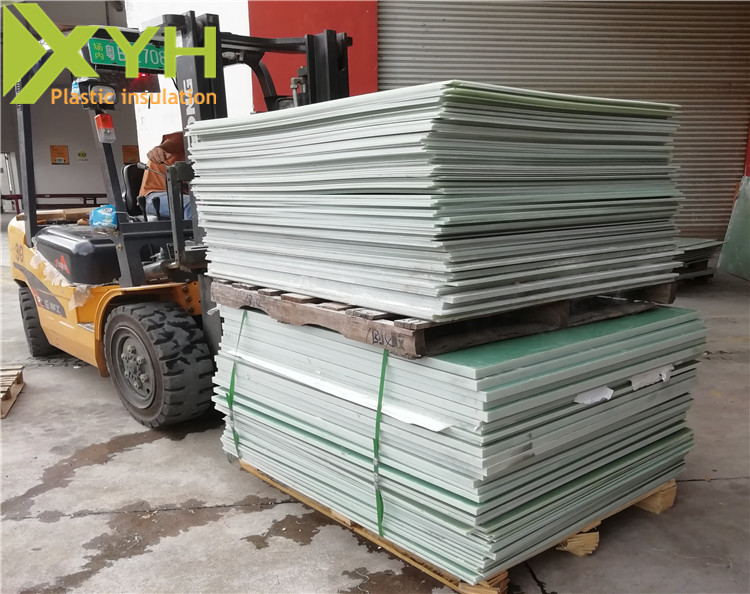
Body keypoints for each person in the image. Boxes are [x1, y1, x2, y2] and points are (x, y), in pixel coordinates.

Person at [138, 131, 192, 220]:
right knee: (192, 204)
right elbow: (170, 145)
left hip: (182, 194)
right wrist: (159, 150)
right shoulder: (185, 138)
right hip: (154, 195)